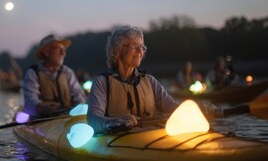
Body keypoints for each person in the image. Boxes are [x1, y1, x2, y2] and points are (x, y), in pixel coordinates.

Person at [87, 25, 220, 134]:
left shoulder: (150, 81)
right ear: (116, 51)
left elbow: (172, 108)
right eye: (134, 46)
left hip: (151, 135)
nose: (140, 51)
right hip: (118, 140)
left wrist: (196, 110)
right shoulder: (102, 82)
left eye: (142, 47)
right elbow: (93, 119)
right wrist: (114, 122)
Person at [23, 34, 86, 118]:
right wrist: (42, 107)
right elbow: (30, 99)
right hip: (43, 120)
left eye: (64, 50)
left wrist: (79, 106)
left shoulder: (67, 72)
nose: (63, 53)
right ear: (46, 52)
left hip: (67, 117)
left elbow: (78, 94)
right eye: (59, 49)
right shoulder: (33, 72)